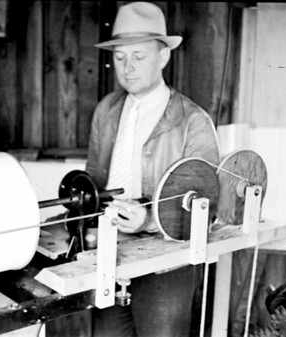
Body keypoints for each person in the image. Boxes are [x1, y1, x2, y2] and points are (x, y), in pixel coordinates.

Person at [85, 2, 220, 336]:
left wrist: (148, 220)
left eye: (139, 57)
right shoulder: (106, 110)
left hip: (167, 264)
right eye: (120, 57)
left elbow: (209, 209)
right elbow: (93, 179)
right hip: (110, 254)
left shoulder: (193, 122)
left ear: (163, 57)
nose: (128, 67)